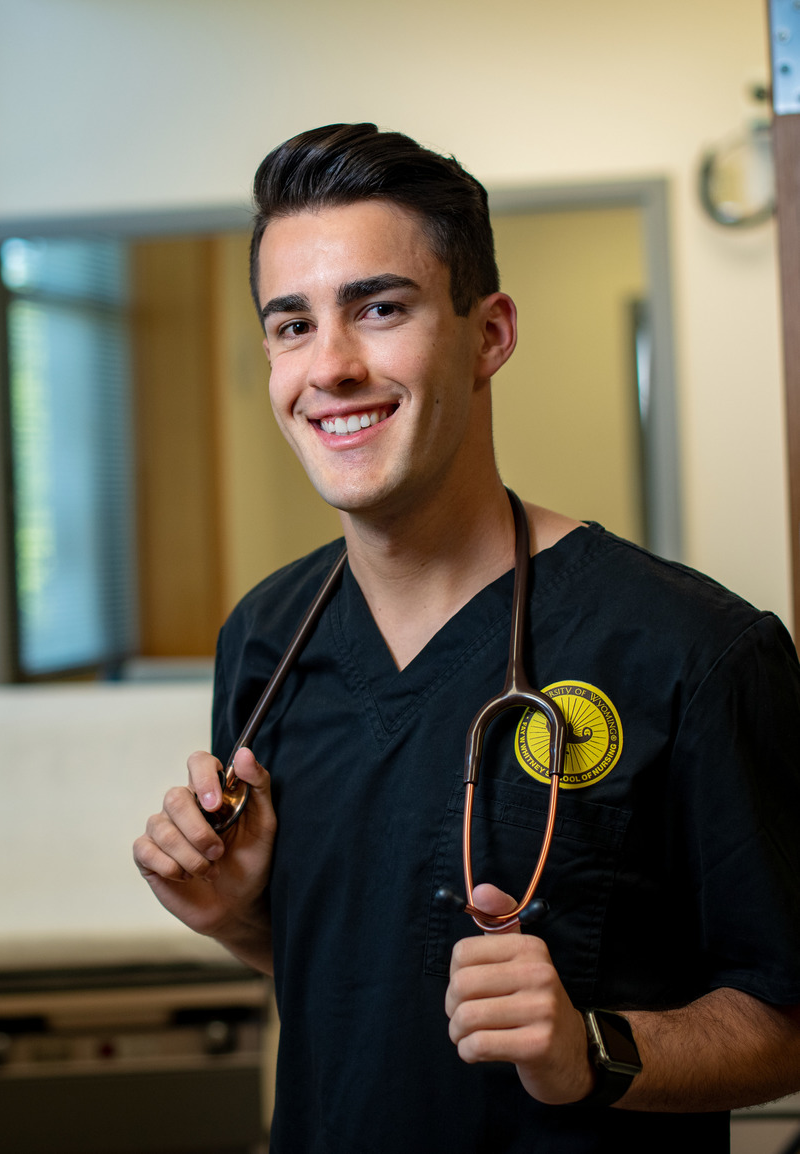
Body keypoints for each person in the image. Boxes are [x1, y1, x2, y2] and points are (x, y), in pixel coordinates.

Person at [132, 123, 800, 1152]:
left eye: (380, 308)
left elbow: (783, 1018)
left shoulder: (691, 652)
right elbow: (368, 970)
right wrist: (234, 913)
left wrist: (589, 1050)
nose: (331, 366)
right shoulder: (263, 641)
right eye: (291, 325)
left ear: (487, 334)